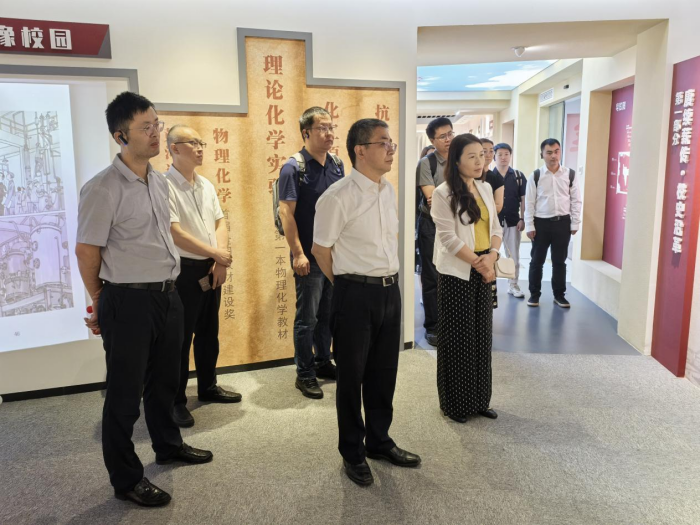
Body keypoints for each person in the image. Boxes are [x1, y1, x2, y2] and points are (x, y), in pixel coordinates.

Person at [75, 92, 213, 508]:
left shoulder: (158, 180)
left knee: (166, 381)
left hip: (167, 295)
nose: (156, 134)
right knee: (124, 393)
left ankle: (168, 446)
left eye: (157, 124)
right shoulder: (102, 188)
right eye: (145, 128)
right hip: (128, 300)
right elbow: (87, 251)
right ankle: (126, 478)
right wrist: (100, 300)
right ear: (121, 136)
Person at [312, 118, 421, 486]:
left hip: (390, 291)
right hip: (354, 294)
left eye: (391, 143)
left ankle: (379, 441)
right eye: (383, 143)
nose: (391, 149)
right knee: (351, 377)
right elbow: (321, 250)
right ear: (360, 150)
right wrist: (347, 286)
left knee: (383, 373)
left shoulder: (387, 190)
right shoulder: (337, 196)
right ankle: (352, 452)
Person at [165, 125, 241, 429]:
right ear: (174, 148)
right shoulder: (164, 186)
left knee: (209, 331)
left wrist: (219, 258)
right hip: (183, 271)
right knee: (180, 339)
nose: (200, 148)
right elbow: (174, 233)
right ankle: (176, 400)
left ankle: (208, 386)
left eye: (201, 142)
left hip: (211, 267)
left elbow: (220, 221)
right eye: (192, 143)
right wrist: (216, 254)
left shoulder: (205, 184)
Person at [431, 133, 503, 423]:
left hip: (485, 266)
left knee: (482, 336)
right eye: (471, 156)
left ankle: (480, 400)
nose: (479, 161)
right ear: (456, 160)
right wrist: (480, 264)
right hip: (458, 272)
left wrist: (492, 257)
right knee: (458, 339)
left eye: (482, 155)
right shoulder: (443, 193)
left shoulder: (485, 187)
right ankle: (456, 404)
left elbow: (496, 228)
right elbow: (448, 239)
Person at [278, 107, 344, 399]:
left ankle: (322, 361)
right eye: (322, 128)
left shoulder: (337, 164)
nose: (329, 134)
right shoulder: (294, 167)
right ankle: (304, 373)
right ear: (306, 133)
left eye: (331, 128)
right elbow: (286, 213)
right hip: (308, 256)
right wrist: (297, 254)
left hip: (333, 255)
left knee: (327, 314)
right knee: (307, 319)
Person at [524, 138, 582, 308]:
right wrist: (530, 225)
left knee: (559, 262)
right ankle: (534, 295)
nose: (553, 156)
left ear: (560, 152)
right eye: (549, 152)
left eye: (556, 151)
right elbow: (529, 203)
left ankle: (559, 295)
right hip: (541, 224)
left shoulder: (570, 174)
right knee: (537, 261)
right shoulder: (536, 176)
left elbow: (576, 200)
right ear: (542, 154)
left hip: (562, 224)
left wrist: (575, 223)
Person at [416, 117, 454, 347]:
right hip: (431, 225)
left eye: (450, 134)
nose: (448, 139)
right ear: (432, 140)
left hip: (458, 225)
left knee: (454, 274)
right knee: (432, 277)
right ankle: (433, 326)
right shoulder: (426, 163)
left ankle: (451, 323)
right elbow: (432, 200)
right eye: (442, 136)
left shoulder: (461, 159)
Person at [493, 143, 527, 298]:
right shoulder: (489, 176)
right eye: (500, 154)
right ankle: (489, 285)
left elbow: (523, 199)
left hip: (513, 220)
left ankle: (513, 285)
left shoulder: (518, 176)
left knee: (513, 255)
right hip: (493, 223)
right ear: (494, 157)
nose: (503, 157)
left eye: (506, 154)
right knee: (489, 254)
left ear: (510, 156)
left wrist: (522, 218)